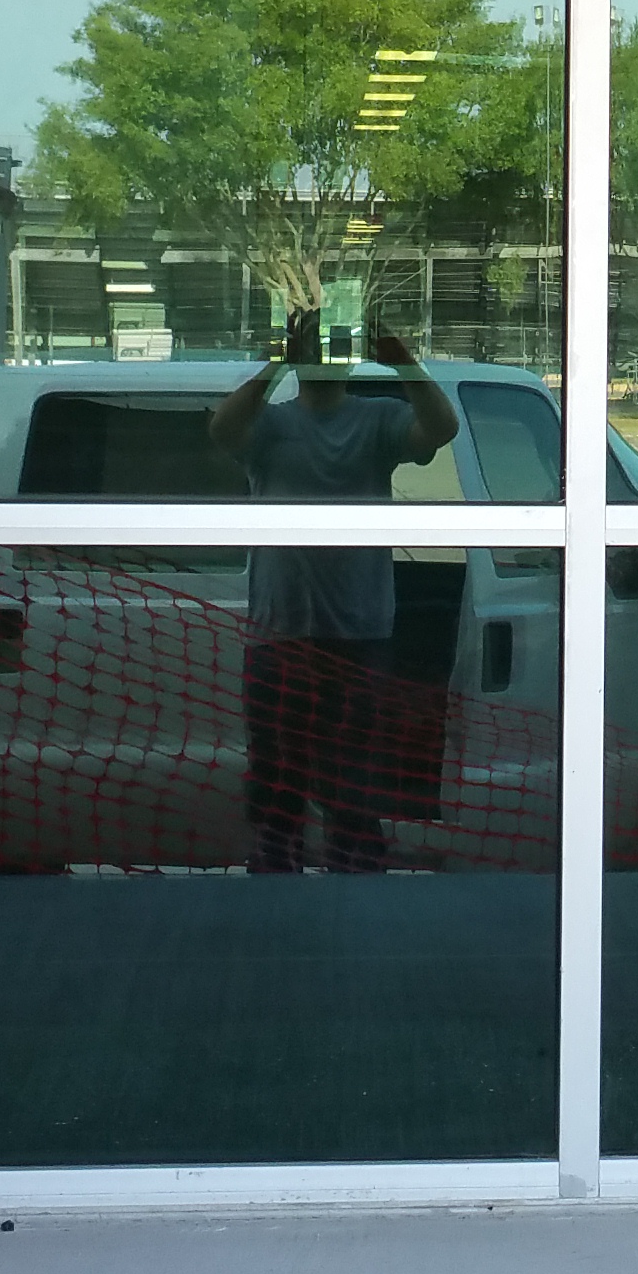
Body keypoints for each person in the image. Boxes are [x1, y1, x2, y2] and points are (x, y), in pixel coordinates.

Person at [207, 311, 459, 871]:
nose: (321, 358)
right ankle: (279, 899)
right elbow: (222, 429)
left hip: (359, 636)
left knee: (355, 790)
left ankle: (354, 905)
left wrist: (405, 363)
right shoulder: (270, 426)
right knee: (277, 792)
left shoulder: (378, 420)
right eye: (310, 348)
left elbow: (441, 429)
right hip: (280, 636)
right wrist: (276, 359)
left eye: (330, 347)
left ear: (351, 358)